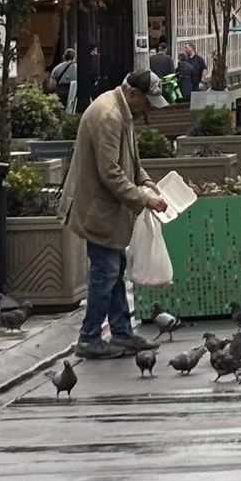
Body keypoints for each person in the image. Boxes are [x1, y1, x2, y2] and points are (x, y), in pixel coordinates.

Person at [62, 69, 167, 359]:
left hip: (105, 209)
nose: (149, 109)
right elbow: (110, 172)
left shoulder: (122, 109)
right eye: (147, 102)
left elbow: (130, 160)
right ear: (133, 93)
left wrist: (145, 180)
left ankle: (121, 333)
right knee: (105, 272)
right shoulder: (109, 116)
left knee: (114, 269)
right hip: (97, 209)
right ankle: (89, 337)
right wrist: (144, 199)